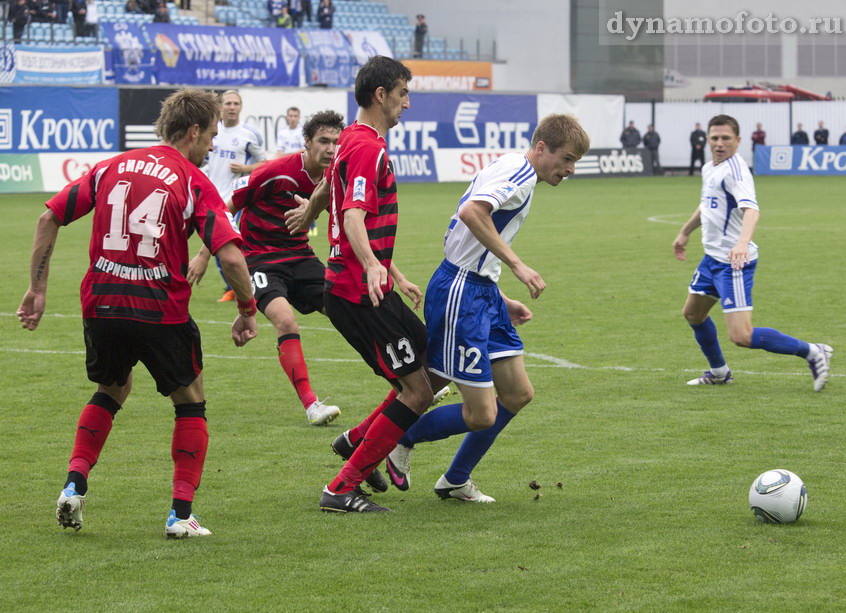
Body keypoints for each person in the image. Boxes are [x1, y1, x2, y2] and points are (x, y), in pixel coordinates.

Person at [16, 88, 259, 539]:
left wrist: (36, 288)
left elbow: (48, 217)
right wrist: (247, 309)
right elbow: (230, 258)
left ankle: (73, 486)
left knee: (113, 388)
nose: (211, 147)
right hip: (158, 309)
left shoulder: (111, 166)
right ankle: (181, 516)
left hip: (102, 303)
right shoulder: (193, 180)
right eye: (209, 137)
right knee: (191, 401)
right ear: (191, 132)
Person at [382, 115, 590, 504]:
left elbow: (474, 230)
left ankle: (456, 478)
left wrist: (498, 294)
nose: (570, 169)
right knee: (478, 413)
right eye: (567, 159)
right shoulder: (520, 172)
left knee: (517, 394)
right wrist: (517, 265)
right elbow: (472, 213)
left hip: (479, 289)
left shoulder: (516, 167)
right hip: (463, 289)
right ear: (542, 148)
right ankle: (397, 437)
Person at [285, 55, 448, 513]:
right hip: (358, 293)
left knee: (433, 370)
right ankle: (341, 487)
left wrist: (313, 213)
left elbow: (331, 193)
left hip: (369, 284)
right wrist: (375, 266)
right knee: (416, 391)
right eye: (402, 94)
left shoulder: (355, 142)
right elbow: (354, 214)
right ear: (381, 95)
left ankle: (355, 439)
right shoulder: (367, 148)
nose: (407, 104)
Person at [187, 110, 346, 427]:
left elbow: (346, 220)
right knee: (286, 321)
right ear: (307, 142)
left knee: (348, 310)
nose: (330, 149)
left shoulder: (335, 178)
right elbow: (225, 206)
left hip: (300, 256)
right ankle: (311, 405)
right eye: (324, 141)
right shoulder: (276, 171)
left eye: (336, 142)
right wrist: (204, 254)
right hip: (260, 258)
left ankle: (402, 380)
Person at [672, 114, 832, 392]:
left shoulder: (736, 171)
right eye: (715, 138)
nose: (719, 144)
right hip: (712, 259)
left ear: (738, 141)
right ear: (707, 139)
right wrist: (685, 232)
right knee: (693, 315)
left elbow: (752, 210)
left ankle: (813, 351)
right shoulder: (710, 168)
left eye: (726, 139)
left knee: (742, 335)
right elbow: (707, 206)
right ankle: (719, 372)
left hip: (733, 263)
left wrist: (743, 243)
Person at [203, 90, 267, 302]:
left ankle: (237, 287)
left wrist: (245, 167)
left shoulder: (249, 134)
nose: (231, 107)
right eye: (228, 103)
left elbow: (264, 164)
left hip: (236, 199)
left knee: (229, 243)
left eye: (235, 103)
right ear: (220, 106)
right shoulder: (211, 131)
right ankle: (235, 285)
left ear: (241, 107)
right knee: (214, 245)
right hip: (212, 197)